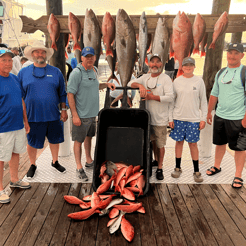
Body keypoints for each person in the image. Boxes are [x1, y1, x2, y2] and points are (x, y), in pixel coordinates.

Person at [18, 40, 68, 179]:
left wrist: (64, 110)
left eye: (42, 52)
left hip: (53, 114)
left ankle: (55, 161)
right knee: (32, 142)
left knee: (54, 140)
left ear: (46, 54)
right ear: (32, 54)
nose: (40, 54)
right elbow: (20, 96)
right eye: (37, 52)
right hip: (32, 116)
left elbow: (62, 93)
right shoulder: (23, 73)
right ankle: (33, 165)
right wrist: (22, 117)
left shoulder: (56, 71)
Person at [67, 47, 116, 181]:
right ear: (81, 58)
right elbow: (70, 94)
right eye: (86, 56)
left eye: (91, 56)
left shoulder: (94, 70)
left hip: (92, 114)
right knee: (78, 142)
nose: (89, 59)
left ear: (95, 57)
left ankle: (89, 160)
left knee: (89, 137)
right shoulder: (76, 73)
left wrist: (106, 84)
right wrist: (75, 115)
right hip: (81, 115)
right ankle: (79, 167)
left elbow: (95, 86)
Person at [128, 54, 174, 180]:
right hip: (147, 119)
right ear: (149, 64)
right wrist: (140, 86)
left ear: (161, 64)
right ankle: (154, 160)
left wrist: (152, 97)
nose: (154, 64)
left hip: (160, 118)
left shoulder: (166, 79)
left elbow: (170, 97)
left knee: (160, 144)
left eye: (157, 62)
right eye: (152, 62)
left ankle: (160, 167)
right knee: (152, 141)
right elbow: (130, 83)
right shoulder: (145, 77)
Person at [207, 43, 246, 188]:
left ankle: (238, 175)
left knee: (239, 148)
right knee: (219, 143)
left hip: (238, 117)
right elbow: (214, 94)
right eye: (230, 53)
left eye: (236, 53)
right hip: (220, 116)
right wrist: (209, 111)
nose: (232, 56)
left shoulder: (244, 72)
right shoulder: (221, 72)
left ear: (242, 55)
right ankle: (217, 166)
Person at [169, 57, 207, 183]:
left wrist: (203, 118)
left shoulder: (199, 81)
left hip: (193, 119)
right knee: (179, 143)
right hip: (178, 117)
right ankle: (178, 167)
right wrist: (170, 118)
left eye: (191, 65)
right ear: (182, 67)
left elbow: (203, 101)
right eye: (186, 65)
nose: (188, 67)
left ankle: (196, 171)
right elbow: (172, 102)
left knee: (193, 144)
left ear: (194, 67)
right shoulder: (177, 81)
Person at [0, 48, 31, 204]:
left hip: (18, 124)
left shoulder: (14, 78)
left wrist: (26, 121)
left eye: (9, 60)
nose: (8, 63)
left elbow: (22, 101)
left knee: (15, 152)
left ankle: (14, 180)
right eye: (4, 60)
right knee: (0, 158)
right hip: (2, 127)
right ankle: (0, 189)